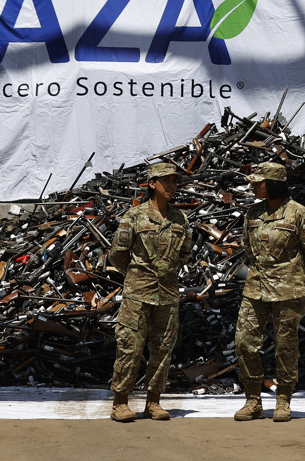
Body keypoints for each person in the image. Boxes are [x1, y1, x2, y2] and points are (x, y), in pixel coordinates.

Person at [233, 161, 305, 423]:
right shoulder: (252, 213)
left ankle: (283, 399)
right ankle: (253, 401)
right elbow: (248, 248)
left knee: (286, 347)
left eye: (257, 181)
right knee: (244, 342)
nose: (252, 185)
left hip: (288, 290)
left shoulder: (300, 214)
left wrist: (293, 274)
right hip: (256, 288)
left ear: (273, 184)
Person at [107, 161, 193, 422]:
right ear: (151, 184)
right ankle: (120, 402)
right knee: (130, 347)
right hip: (137, 293)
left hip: (167, 294)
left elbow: (184, 255)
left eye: (175, 181)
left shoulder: (180, 219)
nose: (171, 185)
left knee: (163, 349)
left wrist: (165, 272)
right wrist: (138, 275)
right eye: (166, 180)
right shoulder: (134, 216)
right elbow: (118, 255)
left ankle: (153, 402)